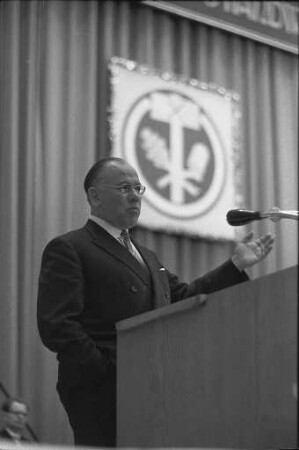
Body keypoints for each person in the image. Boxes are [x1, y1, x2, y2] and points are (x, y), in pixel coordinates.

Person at [37, 157, 275, 447]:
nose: (135, 196)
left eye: (138, 188)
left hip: (156, 386)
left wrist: (234, 265)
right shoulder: (71, 247)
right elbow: (57, 326)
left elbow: (183, 299)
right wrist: (106, 370)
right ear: (94, 195)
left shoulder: (147, 256)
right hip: (102, 391)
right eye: (125, 188)